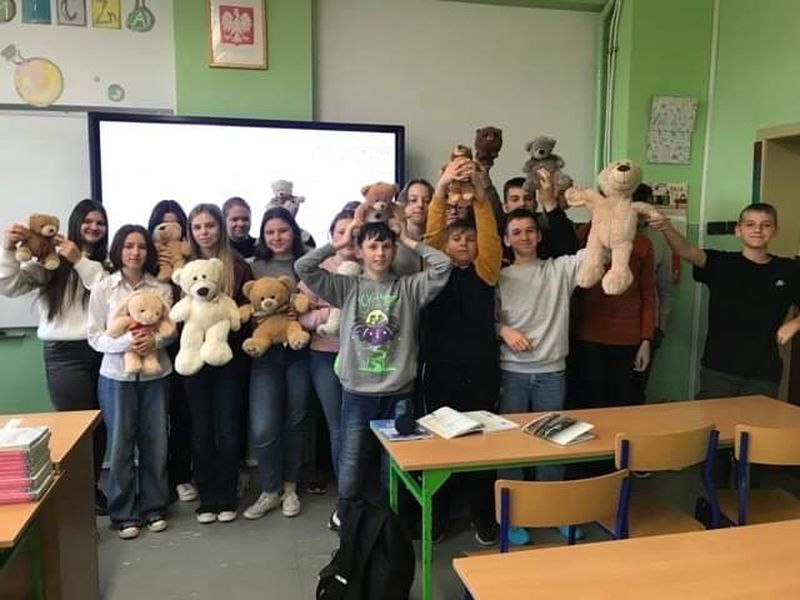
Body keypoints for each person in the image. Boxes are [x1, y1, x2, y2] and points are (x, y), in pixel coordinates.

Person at [295, 217, 452, 532]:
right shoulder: (347, 287)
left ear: (394, 250)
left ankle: (389, 520)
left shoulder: (408, 287)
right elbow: (304, 267)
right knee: (352, 459)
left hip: (398, 394)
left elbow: (443, 265)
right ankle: (345, 512)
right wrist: (340, 244)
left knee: (392, 464)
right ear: (361, 251)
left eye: (386, 246)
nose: (380, 253)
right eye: (372, 246)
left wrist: (407, 239)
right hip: (358, 393)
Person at [0, 199, 109, 514]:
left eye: (100, 222)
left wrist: (79, 260)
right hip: (64, 353)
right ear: (75, 223)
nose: (94, 227)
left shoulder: (107, 263)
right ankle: (77, 496)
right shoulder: (48, 262)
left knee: (102, 424)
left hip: (101, 350)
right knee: (76, 425)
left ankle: (89, 489)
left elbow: (102, 288)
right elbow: (9, 285)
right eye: (88, 221)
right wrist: (7, 250)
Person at [495, 180, 586, 546]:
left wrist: (599, 205)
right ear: (506, 240)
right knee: (511, 448)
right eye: (516, 232)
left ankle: (554, 511)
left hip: (551, 372)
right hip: (512, 373)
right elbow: (483, 319)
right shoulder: (498, 276)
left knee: (553, 446)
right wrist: (503, 330)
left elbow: (596, 253)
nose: (524, 237)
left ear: (539, 235)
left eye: (530, 230)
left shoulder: (559, 269)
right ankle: (512, 517)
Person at [419, 157, 502, 545]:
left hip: (481, 370)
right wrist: (440, 191)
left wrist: (481, 199)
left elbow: (489, 235)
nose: (464, 244)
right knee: (441, 443)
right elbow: (432, 235)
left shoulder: (486, 270)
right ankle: (438, 514)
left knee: (483, 443)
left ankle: (484, 515)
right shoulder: (435, 271)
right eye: (457, 239)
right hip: (440, 370)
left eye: (469, 239)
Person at [649, 202, 800, 398]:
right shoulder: (721, 263)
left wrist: (795, 324)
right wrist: (666, 226)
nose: (757, 230)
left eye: (766, 225)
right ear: (738, 230)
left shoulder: (789, 269)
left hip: (764, 373)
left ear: (775, 231)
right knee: (714, 419)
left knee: (758, 419)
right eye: (750, 224)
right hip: (718, 369)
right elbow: (686, 251)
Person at [87, 225, 174, 539]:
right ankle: (123, 513)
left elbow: (170, 329)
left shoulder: (161, 287)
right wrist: (127, 343)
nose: (135, 252)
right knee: (121, 443)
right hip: (116, 377)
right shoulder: (104, 287)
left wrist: (155, 343)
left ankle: (154, 506)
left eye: (141, 246)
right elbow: (95, 336)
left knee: (156, 441)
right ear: (118, 250)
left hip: (156, 375)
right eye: (128, 246)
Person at [182, 204, 253, 524]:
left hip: (230, 359)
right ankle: (207, 496)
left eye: (210, 225)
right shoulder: (183, 268)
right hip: (193, 360)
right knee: (201, 427)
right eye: (197, 227)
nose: (204, 232)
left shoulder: (238, 266)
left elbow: (248, 312)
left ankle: (226, 494)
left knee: (227, 426)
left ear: (220, 228)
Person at [243, 206, 311, 521]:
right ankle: (269, 490)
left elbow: (316, 300)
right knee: (263, 426)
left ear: (293, 232)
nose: (276, 237)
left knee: (296, 420)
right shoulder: (253, 266)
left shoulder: (306, 262)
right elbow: (244, 307)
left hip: (299, 351)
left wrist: (302, 313)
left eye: (282, 230)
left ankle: (290, 488)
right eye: (269, 232)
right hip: (265, 355)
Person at [297, 208, 358, 530]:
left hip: (362, 359)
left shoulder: (371, 266)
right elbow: (300, 315)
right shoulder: (320, 270)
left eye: (354, 232)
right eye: (341, 232)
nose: (348, 239)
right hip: (323, 356)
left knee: (362, 428)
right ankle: (345, 497)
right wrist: (326, 316)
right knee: (338, 428)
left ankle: (364, 493)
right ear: (332, 237)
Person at [570, 222, 655, 410]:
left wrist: (646, 340)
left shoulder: (642, 243)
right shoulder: (587, 234)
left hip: (628, 338)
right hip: (588, 335)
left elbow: (648, 295)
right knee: (591, 403)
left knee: (623, 402)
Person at [147, 200, 197, 504]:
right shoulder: (145, 256)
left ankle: (181, 476)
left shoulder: (190, 258)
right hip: (149, 343)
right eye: (163, 224)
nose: (169, 230)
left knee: (182, 414)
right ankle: (155, 480)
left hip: (185, 341)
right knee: (153, 418)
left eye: (176, 223)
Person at [632, 184, 674, 394]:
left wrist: (661, 324)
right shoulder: (604, 231)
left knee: (637, 388)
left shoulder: (656, 238)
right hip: (610, 326)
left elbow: (664, 285)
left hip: (649, 324)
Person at [393, 179, 433, 275]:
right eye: (413, 200)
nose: (420, 205)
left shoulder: (439, 238)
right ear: (403, 205)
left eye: (426, 201)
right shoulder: (393, 239)